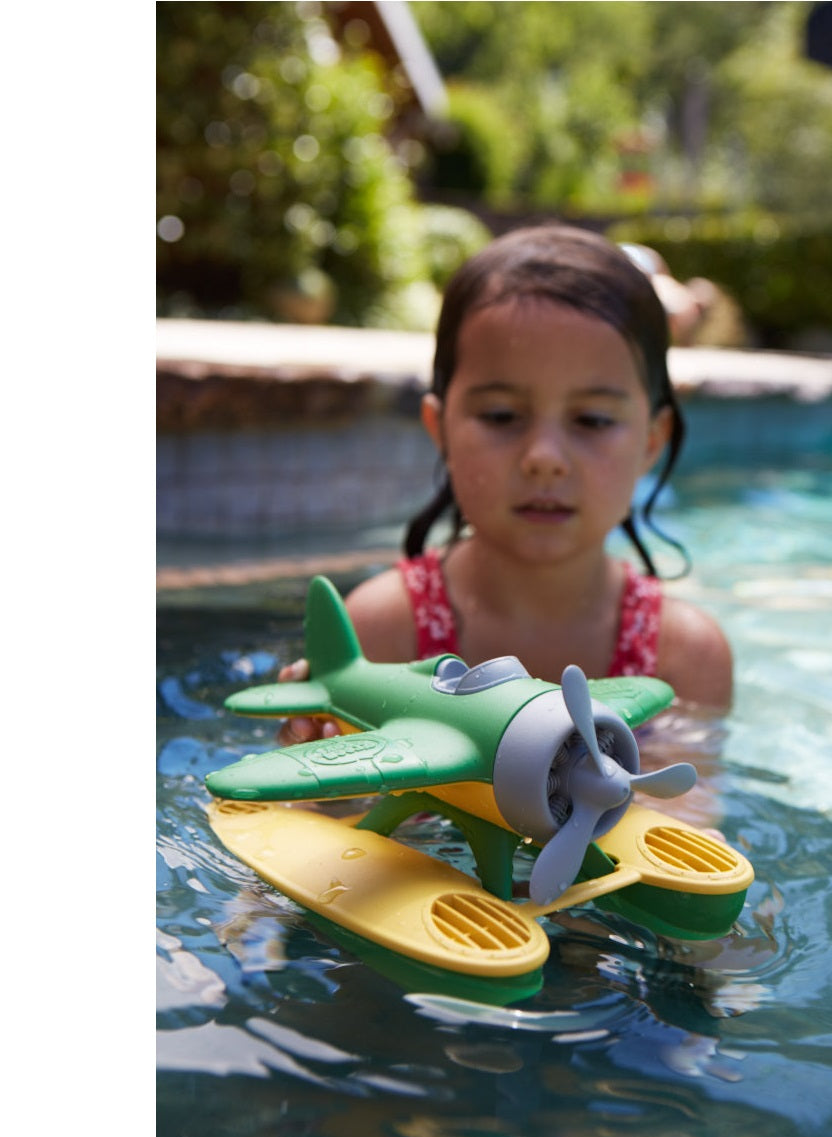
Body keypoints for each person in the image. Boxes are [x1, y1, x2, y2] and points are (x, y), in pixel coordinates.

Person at [278, 224, 733, 748]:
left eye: (591, 420)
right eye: (500, 415)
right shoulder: (382, 633)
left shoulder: (683, 657)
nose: (544, 458)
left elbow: (684, 821)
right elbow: (325, 821)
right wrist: (325, 781)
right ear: (440, 427)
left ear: (653, 442)